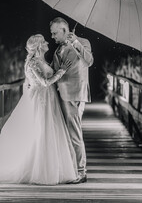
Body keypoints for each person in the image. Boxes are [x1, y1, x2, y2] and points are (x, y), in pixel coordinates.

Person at [0, 34, 78, 188]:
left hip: (48, 99)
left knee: (48, 132)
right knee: (42, 132)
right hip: (41, 100)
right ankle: (39, 170)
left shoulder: (41, 61)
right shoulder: (33, 63)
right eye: (43, 41)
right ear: (38, 47)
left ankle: (49, 166)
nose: (47, 42)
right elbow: (44, 82)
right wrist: (62, 71)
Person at [50, 17, 94, 184]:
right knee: (68, 132)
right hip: (62, 93)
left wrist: (76, 42)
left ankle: (81, 171)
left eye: (55, 33)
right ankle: (70, 167)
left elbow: (89, 61)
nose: (53, 36)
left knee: (74, 132)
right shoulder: (58, 48)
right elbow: (57, 69)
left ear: (63, 30)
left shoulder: (83, 42)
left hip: (75, 93)